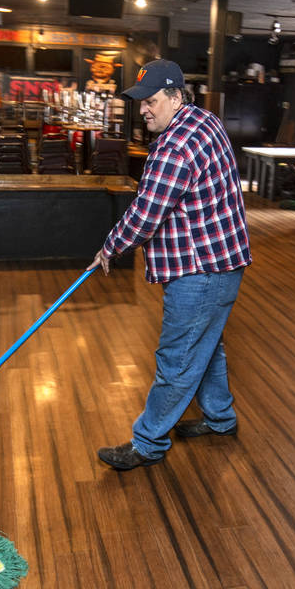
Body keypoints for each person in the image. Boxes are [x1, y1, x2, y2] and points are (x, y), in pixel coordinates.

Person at [90, 59, 252, 470]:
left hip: (200, 271)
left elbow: (145, 215)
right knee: (207, 348)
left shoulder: (174, 147)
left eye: (152, 100)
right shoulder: (205, 121)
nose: (144, 108)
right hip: (222, 262)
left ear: (177, 96)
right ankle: (220, 418)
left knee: (178, 358)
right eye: (140, 100)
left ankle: (147, 444)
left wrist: (109, 249)